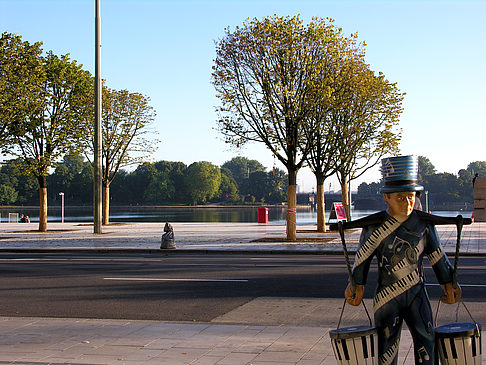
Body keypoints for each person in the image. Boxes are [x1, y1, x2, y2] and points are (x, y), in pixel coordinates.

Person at [344, 155, 461, 365]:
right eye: (400, 197)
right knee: (386, 346)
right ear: (386, 198)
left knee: (427, 339)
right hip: (387, 297)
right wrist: (356, 284)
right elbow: (362, 258)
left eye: (410, 196)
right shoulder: (373, 227)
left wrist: (448, 282)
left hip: (417, 292)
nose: (407, 202)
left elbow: (437, 257)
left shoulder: (424, 225)